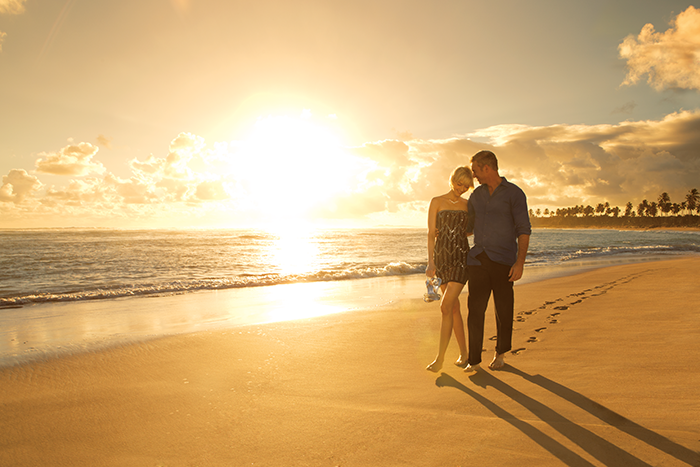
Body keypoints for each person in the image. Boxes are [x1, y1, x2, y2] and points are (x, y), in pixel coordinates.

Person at [464, 150, 531, 372]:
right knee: (475, 310)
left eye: (475, 171)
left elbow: (523, 230)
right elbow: (468, 229)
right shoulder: (476, 196)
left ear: (487, 168)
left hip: (504, 260)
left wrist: (519, 262)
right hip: (478, 260)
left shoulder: (514, 194)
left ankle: (500, 353)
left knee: (503, 309)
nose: (474, 177)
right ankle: (473, 360)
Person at [425, 166, 474, 372]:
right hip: (441, 258)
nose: (462, 188)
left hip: (461, 258)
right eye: (459, 183)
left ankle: (440, 358)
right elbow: (430, 233)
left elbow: (470, 231)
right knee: (453, 308)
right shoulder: (436, 202)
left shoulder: (468, 205)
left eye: (466, 186)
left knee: (445, 307)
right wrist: (430, 262)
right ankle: (464, 353)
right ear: (452, 180)